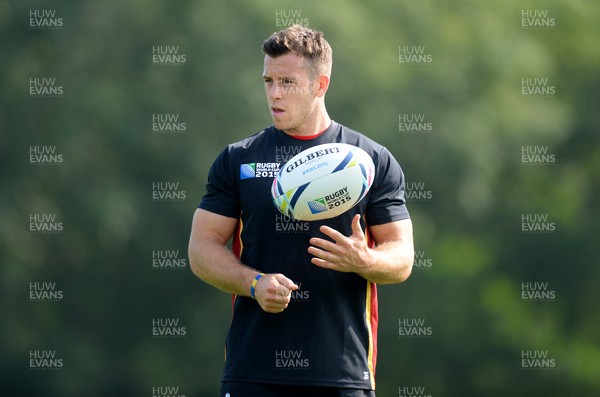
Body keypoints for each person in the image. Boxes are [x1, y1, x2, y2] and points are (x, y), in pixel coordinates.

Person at [188, 24, 414, 397]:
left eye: (287, 82)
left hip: (342, 375)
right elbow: (201, 249)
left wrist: (363, 259)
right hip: (252, 373)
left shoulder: (371, 162)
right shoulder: (238, 160)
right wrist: (254, 283)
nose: (274, 93)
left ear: (320, 85)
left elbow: (402, 258)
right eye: (268, 81)